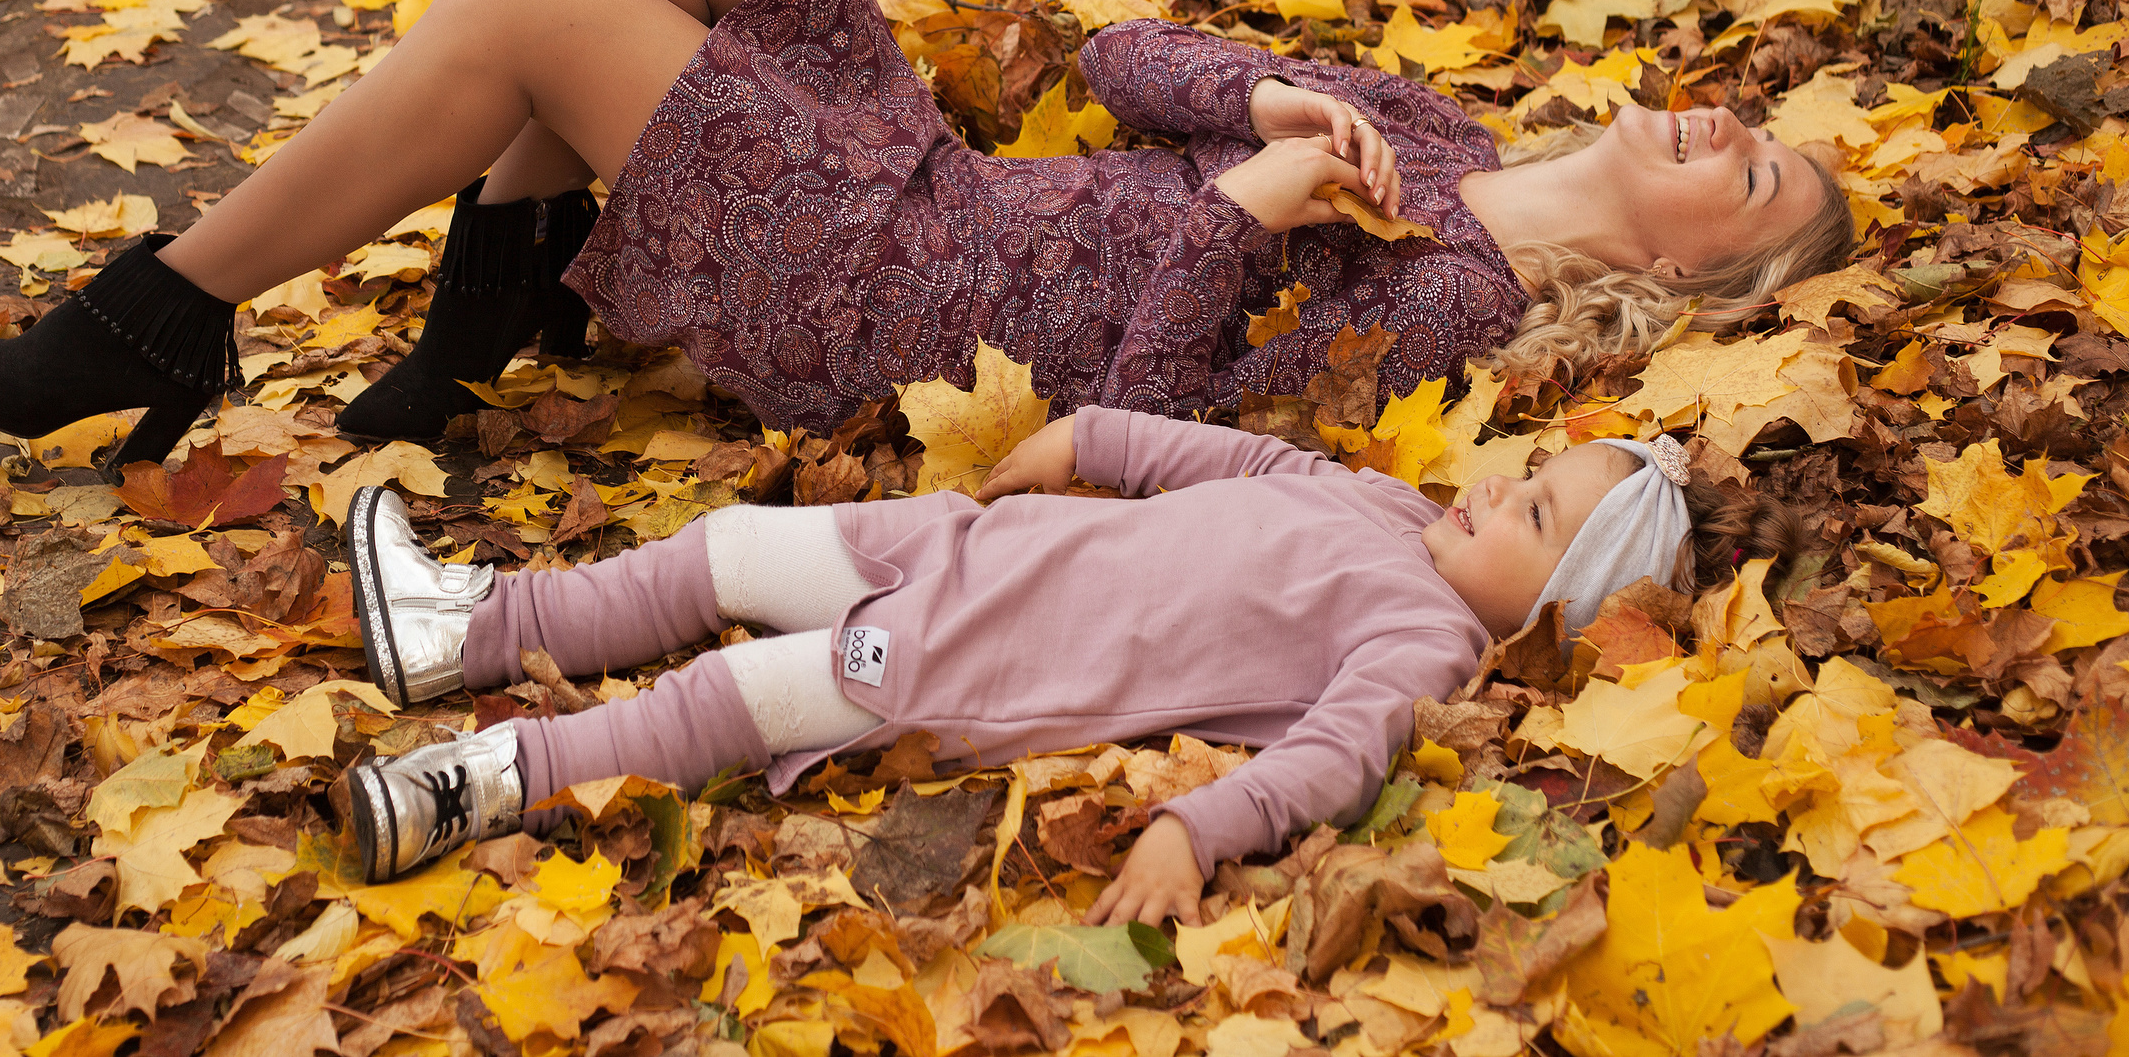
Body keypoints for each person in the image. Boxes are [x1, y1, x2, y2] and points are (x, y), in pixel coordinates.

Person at [0, 0, 1853, 473]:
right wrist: (1249, 102)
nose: (1728, 123)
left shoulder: (1456, 311)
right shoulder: (1440, 127)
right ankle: (496, 324)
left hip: (901, 317)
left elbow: (1129, 439)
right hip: (937, 196)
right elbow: (1115, 53)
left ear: (1690, 267)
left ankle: (155, 322)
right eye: (1757, 128)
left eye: (1751, 172)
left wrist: (1245, 221)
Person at [339, 415, 1757, 920]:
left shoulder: (1425, 637)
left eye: (1534, 518)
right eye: (1526, 473)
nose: (1496, 490)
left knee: (728, 701)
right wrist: (1099, 439)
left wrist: (1199, 827)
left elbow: (1336, 758)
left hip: (974, 661)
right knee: (722, 550)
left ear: (1551, 613)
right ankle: (468, 629)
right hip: (971, 545)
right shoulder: (1392, 504)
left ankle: (476, 786)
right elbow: (1250, 459)